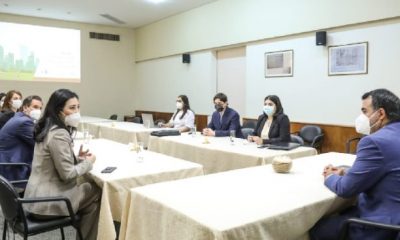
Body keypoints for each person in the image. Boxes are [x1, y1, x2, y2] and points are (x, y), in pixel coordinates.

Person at [310, 89, 400, 240]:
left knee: (315, 228)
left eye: (365, 111)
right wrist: (346, 171)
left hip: (382, 227)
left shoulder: (374, 141)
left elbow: (346, 189)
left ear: (381, 114)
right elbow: (387, 170)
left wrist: (330, 176)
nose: (361, 117)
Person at [24, 89, 100, 240]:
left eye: (78, 107)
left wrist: (76, 158)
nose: (76, 112)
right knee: (97, 190)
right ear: (58, 110)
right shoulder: (59, 133)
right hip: (47, 204)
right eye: (72, 108)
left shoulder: (47, 126)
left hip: (33, 198)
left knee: (92, 207)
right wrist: (88, 162)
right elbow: (67, 175)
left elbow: (53, 160)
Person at [0, 95, 43, 185]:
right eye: (35, 107)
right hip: (12, 171)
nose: (38, 110)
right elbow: (40, 144)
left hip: (8, 167)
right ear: (25, 107)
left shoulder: (18, 117)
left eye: (40, 108)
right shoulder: (24, 122)